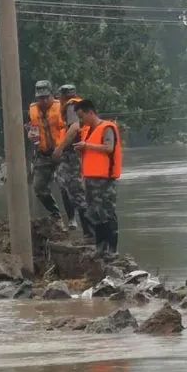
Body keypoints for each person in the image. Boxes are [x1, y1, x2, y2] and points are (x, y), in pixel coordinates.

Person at [73, 100, 123, 257]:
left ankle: (112, 249)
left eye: (82, 116)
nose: (81, 121)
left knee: (107, 213)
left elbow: (109, 148)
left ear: (90, 112)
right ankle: (100, 247)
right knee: (94, 213)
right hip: (90, 179)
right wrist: (81, 149)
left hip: (105, 180)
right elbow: (89, 153)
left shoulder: (107, 127)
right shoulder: (87, 130)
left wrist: (86, 146)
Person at [54, 84, 94, 239]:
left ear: (62, 97)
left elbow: (74, 128)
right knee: (65, 184)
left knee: (77, 194)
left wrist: (60, 148)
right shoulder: (77, 106)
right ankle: (79, 225)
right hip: (75, 154)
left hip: (74, 155)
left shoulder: (71, 106)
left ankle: (89, 234)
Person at [26, 80, 65, 221]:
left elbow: (70, 129)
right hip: (43, 153)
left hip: (61, 152)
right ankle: (56, 214)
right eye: (39, 98)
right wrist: (30, 134)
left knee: (66, 185)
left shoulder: (62, 107)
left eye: (45, 97)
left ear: (52, 96)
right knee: (39, 188)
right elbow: (29, 128)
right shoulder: (32, 110)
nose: (42, 101)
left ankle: (74, 218)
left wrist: (61, 148)